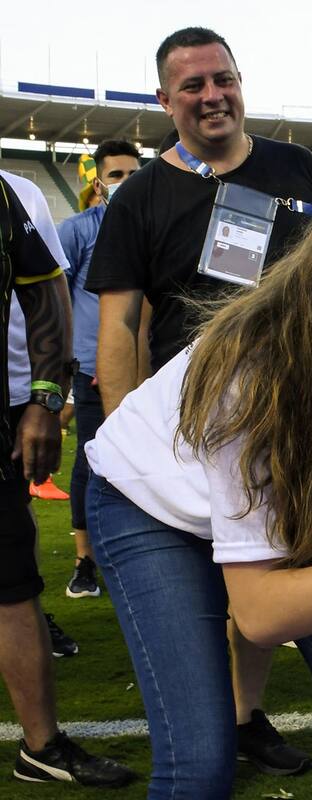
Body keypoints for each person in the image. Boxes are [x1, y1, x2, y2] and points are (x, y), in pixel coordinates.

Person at [85, 25, 312, 782]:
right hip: (185, 443)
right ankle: (221, 724)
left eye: (222, 78)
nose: (211, 95)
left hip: (283, 446)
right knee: (198, 727)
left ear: (240, 82)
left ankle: (244, 717)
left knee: (271, 621)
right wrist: (135, 438)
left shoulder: (294, 166)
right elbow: (121, 326)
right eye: (192, 86)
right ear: (165, 100)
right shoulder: (140, 196)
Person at [0, 174, 135, 788]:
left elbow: (45, 295)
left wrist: (42, 398)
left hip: (3, 403)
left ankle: (40, 745)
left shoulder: (9, 194)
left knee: (11, 580)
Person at [1, 170, 81, 658]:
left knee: (15, 514)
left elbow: (53, 289)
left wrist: (46, 396)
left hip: (16, 381)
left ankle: (27, 609)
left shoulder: (19, 193)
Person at [57, 139, 142, 599]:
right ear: (98, 181)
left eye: (133, 174)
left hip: (150, 372)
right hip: (94, 371)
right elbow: (55, 300)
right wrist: (75, 362)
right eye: (116, 176)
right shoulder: (76, 230)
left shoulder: (151, 225)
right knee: (92, 465)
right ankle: (84, 561)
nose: (126, 184)